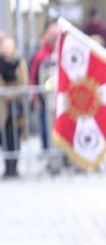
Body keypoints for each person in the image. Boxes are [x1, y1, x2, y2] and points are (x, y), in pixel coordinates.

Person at [0, 36, 28, 178]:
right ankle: (7, 166)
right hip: (2, 107)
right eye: (4, 46)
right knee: (4, 137)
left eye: (9, 46)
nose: (6, 49)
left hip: (16, 105)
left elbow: (24, 82)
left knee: (15, 136)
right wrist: (4, 91)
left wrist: (13, 93)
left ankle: (14, 166)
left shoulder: (19, 63)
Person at [29, 20, 58, 150]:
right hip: (44, 97)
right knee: (45, 126)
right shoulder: (40, 55)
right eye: (51, 33)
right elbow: (33, 75)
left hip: (59, 98)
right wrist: (35, 96)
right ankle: (48, 151)